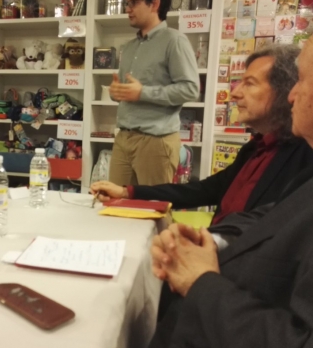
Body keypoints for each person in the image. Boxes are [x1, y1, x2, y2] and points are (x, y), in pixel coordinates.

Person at [145, 35, 313, 348]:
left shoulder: (300, 156)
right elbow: (271, 216)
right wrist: (209, 239)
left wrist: (201, 282)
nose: (294, 94)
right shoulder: (258, 149)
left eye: (303, 80)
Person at [92, 44, 313, 226]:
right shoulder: (255, 148)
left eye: (249, 84)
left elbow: (273, 231)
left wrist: (209, 243)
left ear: (285, 92)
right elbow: (204, 190)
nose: (235, 93)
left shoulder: (303, 158)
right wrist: (127, 192)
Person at [108, 0, 200, 186]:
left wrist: (142, 93)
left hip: (156, 141)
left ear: (155, 4)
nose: (128, 9)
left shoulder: (174, 40)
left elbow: (190, 89)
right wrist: (116, 92)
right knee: (114, 202)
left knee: (153, 204)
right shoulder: (129, 47)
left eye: (134, 2)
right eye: (127, 3)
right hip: (123, 138)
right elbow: (126, 92)